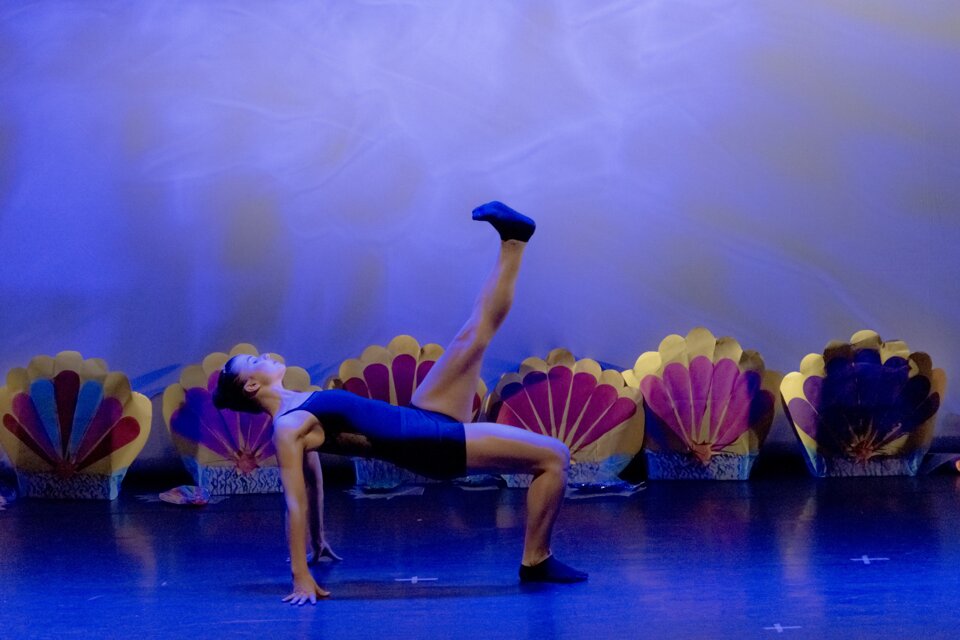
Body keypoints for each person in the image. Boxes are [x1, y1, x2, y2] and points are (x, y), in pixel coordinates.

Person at [213, 202, 587, 605]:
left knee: (473, 333)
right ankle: (535, 560)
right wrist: (300, 576)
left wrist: (319, 541)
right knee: (554, 457)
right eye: (254, 361)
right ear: (251, 386)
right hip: (433, 444)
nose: (265, 355)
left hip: (421, 415)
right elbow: (294, 500)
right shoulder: (288, 426)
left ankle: (514, 239)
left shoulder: (298, 407)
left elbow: (313, 480)